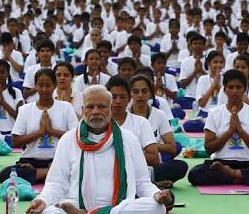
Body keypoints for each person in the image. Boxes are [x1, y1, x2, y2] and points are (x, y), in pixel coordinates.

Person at [25, 85, 172, 214]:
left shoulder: (128, 139)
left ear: (110, 109)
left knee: (157, 208)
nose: (95, 112)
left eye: (101, 106)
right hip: (76, 203)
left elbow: (142, 182)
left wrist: (156, 194)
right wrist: (43, 200)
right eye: (90, 107)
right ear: (83, 110)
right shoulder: (68, 140)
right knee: (49, 212)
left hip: (119, 206)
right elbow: (56, 183)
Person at [188, 69, 249, 186]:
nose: (234, 91)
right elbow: (209, 149)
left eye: (238, 87)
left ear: (244, 89)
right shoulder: (214, 113)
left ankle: (232, 175)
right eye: (230, 87)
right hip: (222, 163)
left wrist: (241, 131)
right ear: (224, 90)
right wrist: (229, 132)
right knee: (195, 174)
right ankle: (241, 178)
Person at [0, 68, 78, 184]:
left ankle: (39, 174)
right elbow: (15, 141)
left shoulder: (66, 108)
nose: (44, 89)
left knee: (78, 170)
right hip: (31, 161)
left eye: (48, 85)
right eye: (40, 85)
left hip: (58, 160)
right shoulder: (25, 109)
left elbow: (76, 137)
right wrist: (40, 132)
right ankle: (48, 173)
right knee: (5, 175)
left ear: (55, 85)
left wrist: (51, 131)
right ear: (35, 86)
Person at [129, 75, 188, 185]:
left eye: (144, 91)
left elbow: (172, 148)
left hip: (152, 164)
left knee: (181, 166)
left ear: (151, 93)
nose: (140, 95)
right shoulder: (124, 114)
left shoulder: (159, 115)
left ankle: (143, 182)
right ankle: (151, 183)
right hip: (129, 165)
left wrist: (148, 145)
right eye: (136, 92)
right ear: (130, 94)